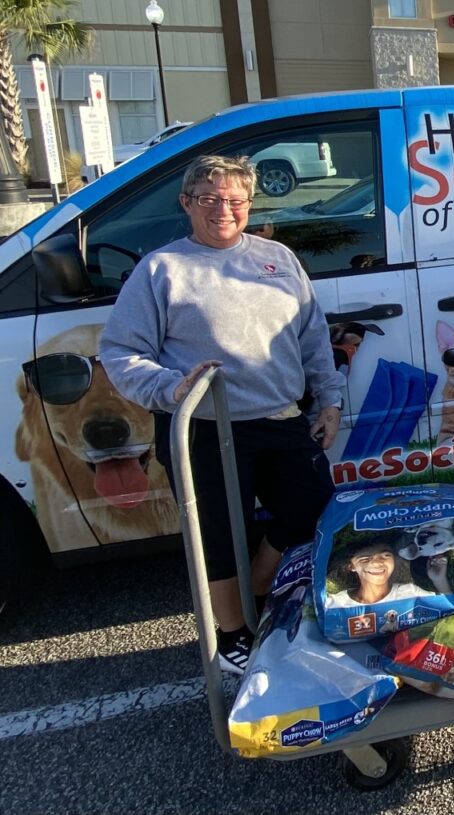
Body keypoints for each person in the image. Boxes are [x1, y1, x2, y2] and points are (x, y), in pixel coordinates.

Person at [99, 155, 343, 674]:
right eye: (209, 199)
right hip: (202, 426)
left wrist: (329, 400)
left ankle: (259, 584)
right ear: (187, 204)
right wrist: (172, 387)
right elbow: (121, 353)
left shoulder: (276, 258)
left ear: (250, 205)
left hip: (279, 417)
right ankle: (231, 633)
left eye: (235, 200)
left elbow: (313, 337)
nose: (223, 210)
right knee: (216, 531)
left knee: (314, 504)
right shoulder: (161, 270)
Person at [330, 541, 452, 607]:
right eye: (365, 559)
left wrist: (439, 580)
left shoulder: (409, 592)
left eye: (385, 556)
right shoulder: (337, 602)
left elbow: (449, 608)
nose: (377, 563)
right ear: (351, 566)